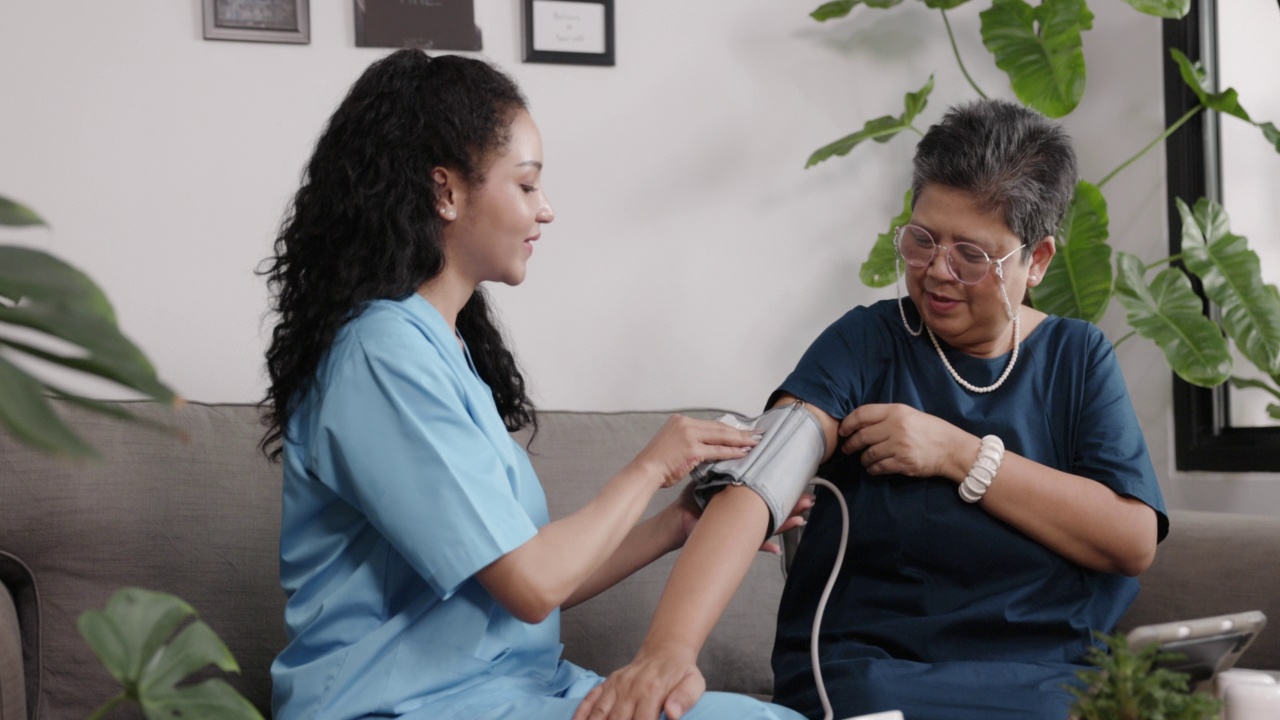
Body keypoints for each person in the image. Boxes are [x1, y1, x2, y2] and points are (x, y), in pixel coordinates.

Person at [573, 99, 1168, 720]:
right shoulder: (866, 344)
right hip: (878, 673)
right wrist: (668, 651)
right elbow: (757, 479)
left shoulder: (1078, 358)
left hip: (1049, 680)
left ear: (1036, 261)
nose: (936, 271)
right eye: (922, 239)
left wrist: (959, 454)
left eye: (971, 256)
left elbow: (1130, 539)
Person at [259, 49, 807, 720]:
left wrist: (678, 523)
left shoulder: (439, 349)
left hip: (519, 692)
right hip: (412, 707)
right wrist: (650, 466)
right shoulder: (382, 356)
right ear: (447, 192)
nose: (545, 210)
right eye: (525, 186)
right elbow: (532, 583)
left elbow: (518, 586)